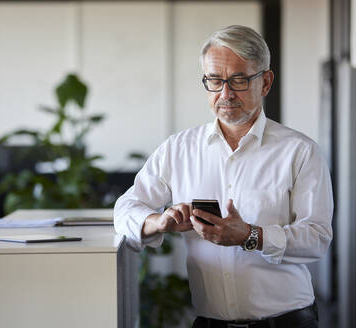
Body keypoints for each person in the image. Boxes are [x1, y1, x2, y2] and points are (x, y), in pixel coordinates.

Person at [114, 25, 333, 328]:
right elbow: (125, 208)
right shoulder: (179, 149)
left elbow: (317, 238)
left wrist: (250, 236)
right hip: (209, 323)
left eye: (239, 80)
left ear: (266, 82)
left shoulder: (300, 151)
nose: (225, 93)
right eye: (215, 81)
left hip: (286, 322)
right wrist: (158, 222)